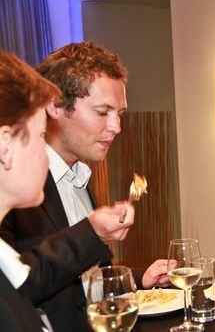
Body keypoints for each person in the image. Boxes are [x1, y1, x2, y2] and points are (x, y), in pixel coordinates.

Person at [0, 42, 171, 332]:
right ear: (55, 107)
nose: (116, 127)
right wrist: (89, 233)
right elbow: (21, 284)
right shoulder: (17, 191)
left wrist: (137, 278)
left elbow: (81, 283)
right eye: (102, 112)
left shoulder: (80, 176)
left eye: (120, 113)